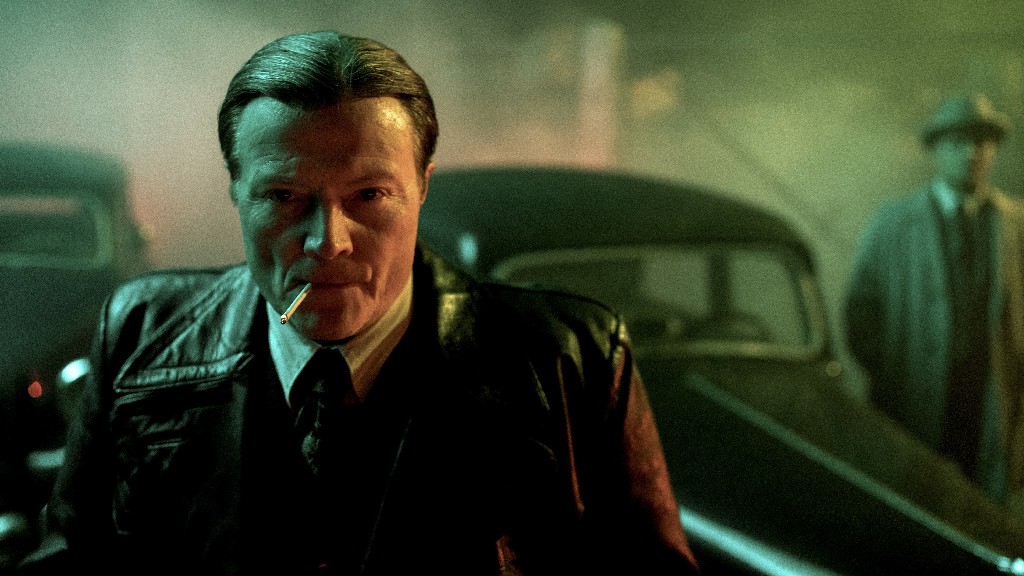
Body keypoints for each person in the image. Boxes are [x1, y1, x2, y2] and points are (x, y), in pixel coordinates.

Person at [17, 31, 700, 575]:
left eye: (369, 195)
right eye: (283, 197)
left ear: (422, 186)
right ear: (235, 191)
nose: (329, 241)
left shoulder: (565, 357)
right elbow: (71, 558)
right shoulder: (143, 331)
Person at [845, 92, 1024, 508]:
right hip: (913, 408)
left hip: (992, 407)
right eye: (958, 142)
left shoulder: (1016, 224)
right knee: (916, 509)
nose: (971, 153)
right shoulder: (893, 223)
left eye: (982, 142)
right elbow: (860, 312)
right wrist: (896, 376)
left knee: (984, 513)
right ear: (935, 150)